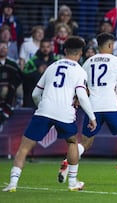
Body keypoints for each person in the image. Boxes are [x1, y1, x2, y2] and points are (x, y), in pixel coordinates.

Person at [2, 36, 97, 192]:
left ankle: (13, 183)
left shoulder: (52, 66)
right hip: (65, 112)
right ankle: (72, 183)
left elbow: (34, 94)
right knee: (72, 142)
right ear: (80, 53)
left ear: (65, 51)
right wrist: (92, 117)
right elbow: (81, 95)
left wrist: (43, 107)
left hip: (45, 110)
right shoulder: (80, 71)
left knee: (24, 148)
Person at [57, 32, 117, 185]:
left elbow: (81, 87)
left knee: (86, 143)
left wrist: (76, 99)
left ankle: (67, 162)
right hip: (111, 106)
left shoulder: (87, 62)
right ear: (109, 45)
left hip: (92, 107)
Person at [22, 38, 59, 108]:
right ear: (40, 47)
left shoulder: (56, 61)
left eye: (47, 47)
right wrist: (37, 72)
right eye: (43, 47)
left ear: (51, 48)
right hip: (35, 89)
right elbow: (24, 74)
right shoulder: (32, 61)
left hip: (52, 91)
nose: (45, 49)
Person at [0, 40, 21, 124]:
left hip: (11, 88)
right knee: (5, 89)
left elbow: (19, 77)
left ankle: (7, 109)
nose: (2, 49)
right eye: (0, 47)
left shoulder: (12, 64)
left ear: (8, 50)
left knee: (12, 86)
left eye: (4, 47)